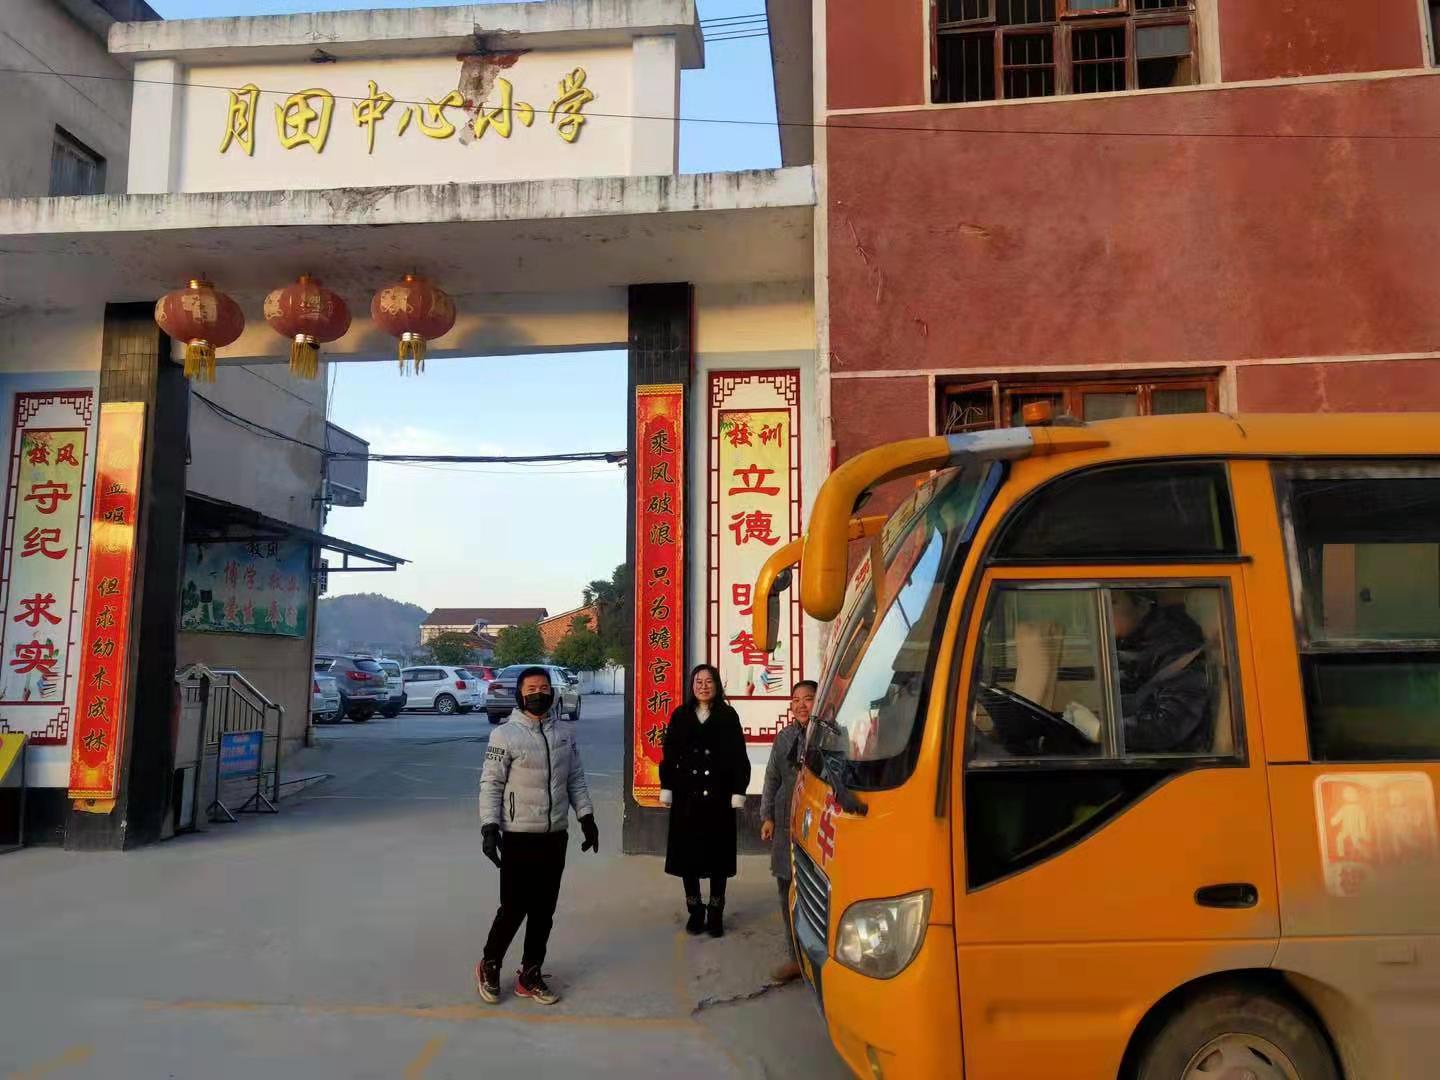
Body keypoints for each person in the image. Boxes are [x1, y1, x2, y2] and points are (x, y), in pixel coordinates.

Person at [476, 666, 599, 1006]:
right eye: (531, 688)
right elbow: (491, 783)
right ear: (520, 694)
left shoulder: (564, 733)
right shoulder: (505, 735)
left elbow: (575, 778)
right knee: (514, 907)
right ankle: (490, 962)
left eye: (544, 687)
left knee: (544, 909)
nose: (539, 692)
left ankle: (530, 973)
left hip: (554, 834)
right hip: (518, 834)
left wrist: (586, 817)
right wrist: (489, 826)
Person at [660, 664, 751, 938]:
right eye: (698, 681)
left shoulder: (727, 715)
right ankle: (695, 911)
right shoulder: (681, 715)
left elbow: (738, 756)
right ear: (691, 685)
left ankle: (716, 913)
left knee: (718, 858)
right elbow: (670, 754)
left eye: (708, 681)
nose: (703, 686)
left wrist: (738, 789)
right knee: (688, 857)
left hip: (719, 798)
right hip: (687, 797)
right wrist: (668, 786)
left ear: (716, 685)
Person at [1066, 591, 1213, 754]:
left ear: (1142, 604)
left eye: (1111, 602)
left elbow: (1171, 724)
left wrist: (1103, 730)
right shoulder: (1134, 642)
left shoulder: (1176, 645)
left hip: (1173, 765)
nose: (1099, 612)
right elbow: (1138, 695)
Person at [760, 679, 817, 983]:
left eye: (808, 699)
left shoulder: (830, 737)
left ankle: (819, 958)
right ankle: (794, 957)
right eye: (796, 700)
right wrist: (766, 815)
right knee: (786, 890)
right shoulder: (784, 738)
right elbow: (772, 778)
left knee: (815, 891)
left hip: (818, 824)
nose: (801, 705)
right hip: (784, 822)